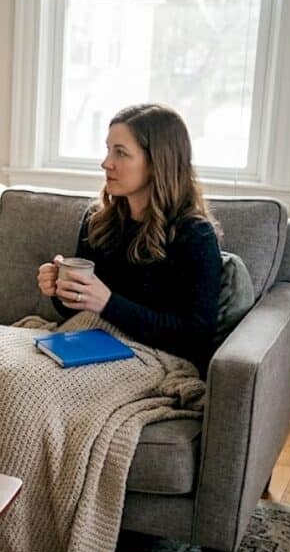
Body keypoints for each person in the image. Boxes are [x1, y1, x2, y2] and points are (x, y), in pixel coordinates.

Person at [36, 103, 222, 377]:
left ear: (158, 162)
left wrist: (109, 303)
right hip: (86, 341)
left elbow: (196, 334)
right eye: (108, 149)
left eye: (120, 153)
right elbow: (73, 312)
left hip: (150, 358)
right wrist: (59, 289)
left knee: (23, 379)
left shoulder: (195, 235)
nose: (106, 163)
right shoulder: (98, 221)